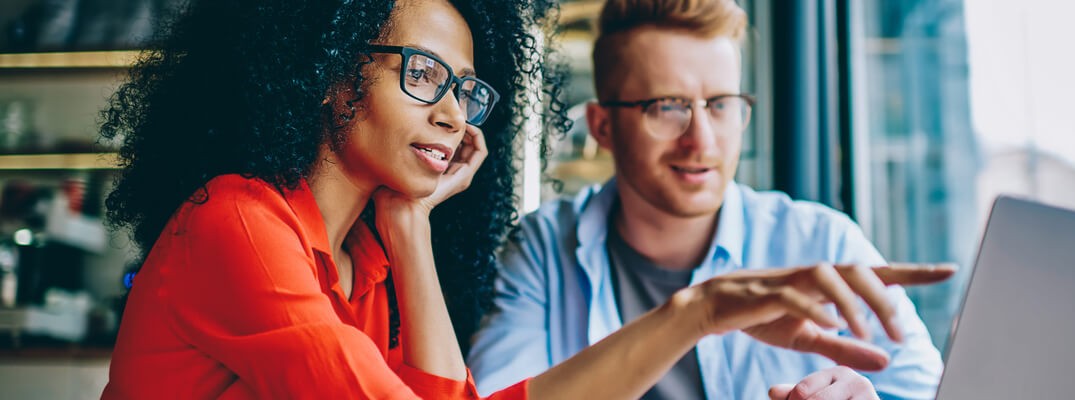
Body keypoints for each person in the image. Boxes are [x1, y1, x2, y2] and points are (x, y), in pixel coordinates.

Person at [101, 0, 951, 398]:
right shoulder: (241, 224)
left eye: (466, 89)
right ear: (327, 73)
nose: (449, 110)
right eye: (422, 73)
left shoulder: (365, 260)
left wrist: (408, 223)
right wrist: (697, 312)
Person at [467, 0, 949, 399]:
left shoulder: (821, 239)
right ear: (603, 127)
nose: (702, 141)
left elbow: (931, 391)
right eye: (667, 107)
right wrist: (695, 314)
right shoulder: (543, 249)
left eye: (720, 106)